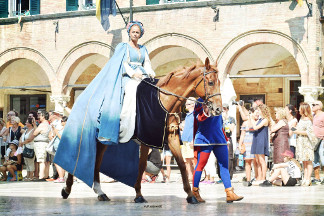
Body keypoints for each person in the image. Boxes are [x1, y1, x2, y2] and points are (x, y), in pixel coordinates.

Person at [54, 21, 156, 187]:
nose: (135, 34)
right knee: (132, 89)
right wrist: (132, 73)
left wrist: (150, 72)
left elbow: (148, 64)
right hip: (128, 77)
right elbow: (122, 64)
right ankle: (125, 119)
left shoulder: (143, 49)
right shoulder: (123, 47)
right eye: (133, 32)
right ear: (130, 32)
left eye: (138, 33)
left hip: (143, 74)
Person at [192, 98, 243, 203]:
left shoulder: (217, 98)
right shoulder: (200, 101)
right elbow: (198, 119)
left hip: (219, 139)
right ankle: (194, 193)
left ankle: (229, 193)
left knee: (224, 165)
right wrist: (206, 112)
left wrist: (225, 139)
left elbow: (220, 123)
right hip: (204, 139)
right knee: (200, 166)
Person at [292, 102, 317, 186]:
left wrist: (297, 131)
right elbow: (299, 129)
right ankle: (305, 177)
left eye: (300, 108)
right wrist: (294, 128)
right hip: (300, 142)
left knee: (308, 160)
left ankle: (308, 178)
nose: (298, 109)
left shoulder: (308, 120)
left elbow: (309, 132)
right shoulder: (301, 118)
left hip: (306, 142)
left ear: (304, 109)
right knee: (304, 161)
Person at [249, 104, 271, 185]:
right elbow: (252, 126)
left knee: (262, 160)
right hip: (256, 139)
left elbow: (255, 127)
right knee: (257, 160)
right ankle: (259, 176)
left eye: (258, 110)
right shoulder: (259, 119)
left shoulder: (265, 120)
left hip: (261, 140)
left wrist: (251, 118)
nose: (257, 112)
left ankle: (263, 177)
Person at [180, 97, 196, 182]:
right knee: (186, 159)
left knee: (193, 159)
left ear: (192, 105)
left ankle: (195, 175)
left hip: (190, 139)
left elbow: (196, 128)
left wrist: (193, 139)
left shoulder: (195, 115)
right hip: (185, 139)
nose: (186, 105)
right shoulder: (187, 115)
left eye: (188, 104)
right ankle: (190, 176)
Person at [238, 107, 255, 186]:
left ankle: (256, 178)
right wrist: (240, 144)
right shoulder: (245, 123)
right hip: (247, 143)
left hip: (255, 142)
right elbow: (242, 134)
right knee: (247, 162)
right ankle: (248, 179)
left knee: (256, 161)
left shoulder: (256, 121)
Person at [33, 110, 51, 181]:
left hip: (41, 144)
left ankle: (41, 176)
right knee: (45, 161)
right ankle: (45, 175)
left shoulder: (42, 124)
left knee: (41, 161)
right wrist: (35, 125)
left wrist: (35, 127)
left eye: (39, 115)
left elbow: (34, 133)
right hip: (45, 143)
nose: (38, 116)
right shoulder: (48, 124)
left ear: (43, 116)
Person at [311, 101, 324, 184]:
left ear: (319, 106)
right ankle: (317, 177)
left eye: (313, 105)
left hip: (322, 139)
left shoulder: (323, 115)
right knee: (315, 159)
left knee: (322, 158)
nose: (312, 106)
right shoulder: (313, 116)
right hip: (314, 140)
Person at [221, 103, 235, 179]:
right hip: (220, 139)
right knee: (220, 157)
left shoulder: (231, 119)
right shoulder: (219, 118)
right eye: (222, 109)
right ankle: (221, 175)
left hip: (228, 138)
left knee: (229, 157)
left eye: (225, 108)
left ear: (228, 109)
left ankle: (229, 175)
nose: (224, 110)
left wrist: (226, 121)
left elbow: (232, 129)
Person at [19, 117, 35, 181]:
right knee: (27, 162)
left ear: (31, 123)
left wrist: (22, 143)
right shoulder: (26, 130)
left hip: (30, 147)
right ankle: (28, 175)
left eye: (27, 122)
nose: (25, 123)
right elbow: (22, 137)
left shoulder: (33, 130)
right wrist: (21, 143)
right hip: (24, 148)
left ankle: (31, 176)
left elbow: (30, 139)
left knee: (30, 162)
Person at [53, 116, 68, 183]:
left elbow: (62, 138)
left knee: (57, 162)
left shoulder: (66, 129)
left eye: (62, 121)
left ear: (66, 122)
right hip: (58, 147)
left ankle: (61, 177)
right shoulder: (62, 128)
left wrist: (56, 132)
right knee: (61, 163)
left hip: (62, 147)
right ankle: (62, 177)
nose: (61, 122)